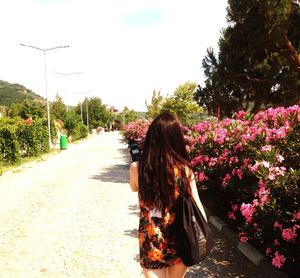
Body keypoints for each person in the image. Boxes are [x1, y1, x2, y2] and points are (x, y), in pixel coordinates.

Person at [129, 112, 208, 278]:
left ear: (151, 139)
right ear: (177, 139)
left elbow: (134, 188)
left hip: (151, 241)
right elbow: (198, 204)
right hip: (180, 238)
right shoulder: (185, 170)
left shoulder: (137, 168)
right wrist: (203, 233)